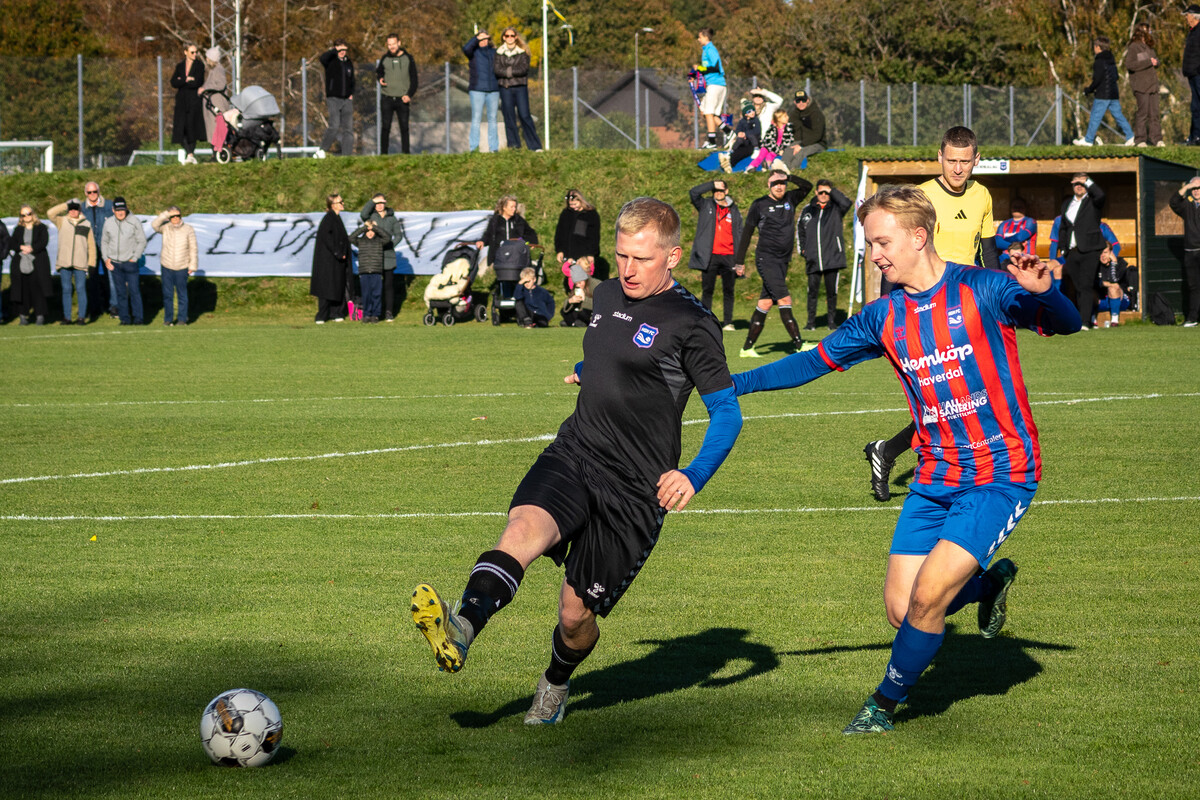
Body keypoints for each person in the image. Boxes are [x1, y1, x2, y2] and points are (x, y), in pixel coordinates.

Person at [732, 183, 1082, 735]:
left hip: (1000, 471)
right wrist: (733, 385)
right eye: (870, 244)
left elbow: (1066, 323)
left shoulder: (984, 288)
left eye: (882, 243)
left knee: (927, 600)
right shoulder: (882, 316)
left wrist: (1049, 293)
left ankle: (882, 705)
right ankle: (988, 585)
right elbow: (810, 363)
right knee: (903, 612)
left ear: (919, 237)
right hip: (935, 475)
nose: (874, 255)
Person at [410, 196, 743, 726]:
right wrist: (586, 370)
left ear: (673, 257)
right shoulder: (606, 293)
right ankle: (462, 626)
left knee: (573, 616)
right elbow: (610, 351)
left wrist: (694, 474)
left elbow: (727, 412)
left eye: (642, 259)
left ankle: (555, 684)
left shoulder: (692, 323)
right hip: (576, 450)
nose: (628, 270)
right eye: (622, 255)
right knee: (522, 529)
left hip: (634, 489)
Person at [865, 126, 1000, 502]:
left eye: (965, 161)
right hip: (924, 310)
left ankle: (888, 451)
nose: (957, 169)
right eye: (951, 160)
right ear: (940, 157)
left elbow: (988, 253)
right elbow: (895, 254)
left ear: (976, 160)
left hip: (968, 309)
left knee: (960, 399)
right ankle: (953, 470)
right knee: (953, 398)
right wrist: (888, 310)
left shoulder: (982, 196)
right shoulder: (920, 197)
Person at [734, 170, 814, 357]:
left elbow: (807, 186)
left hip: (783, 261)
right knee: (784, 299)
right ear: (768, 185)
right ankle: (799, 344)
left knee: (765, 302)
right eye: (774, 183)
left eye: (782, 183)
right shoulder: (759, 205)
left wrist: (790, 177)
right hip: (766, 259)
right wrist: (739, 262)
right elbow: (747, 233)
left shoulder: (790, 199)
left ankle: (747, 349)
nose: (779, 186)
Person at [689, 179, 743, 331]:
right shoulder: (705, 205)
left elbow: (740, 233)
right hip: (710, 256)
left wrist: (740, 259)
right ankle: (705, 321)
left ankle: (728, 322)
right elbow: (693, 193)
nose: (718, 193)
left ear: (726, 191)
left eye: (721, 190)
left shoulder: (734, 210)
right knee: (708, 290)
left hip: (729, 256)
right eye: (715, 190)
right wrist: (712, 184)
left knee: (729, 290)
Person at [797, 179, 851, 330]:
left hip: (832, 258)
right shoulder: (808, 210)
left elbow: (847, 203)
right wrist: (803, 249)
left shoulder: (836, 208)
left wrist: (832, 191)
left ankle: (831, 322)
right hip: (813, 259)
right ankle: (810, 323)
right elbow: (800, 229)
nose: (823, 195)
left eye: (826, 192)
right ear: (816, 192)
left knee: (831, 292)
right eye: (821, 192)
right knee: (812, 292)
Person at [1057, 173, 1106, 328]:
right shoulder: (1067, 203)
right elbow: (1064, 227)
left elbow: (1100, 195)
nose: (1079, 186)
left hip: (1090, 249)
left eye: (1082, 184)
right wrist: (1063, 249)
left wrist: (1087, 181)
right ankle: (1082, 318)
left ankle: (1085, 321)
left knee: (1086, 286)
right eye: (1076, 184)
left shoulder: (1093, 201)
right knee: (1078, 287)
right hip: (1072, 251)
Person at [1073, 37, 1135, 147]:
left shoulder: (1099, 61)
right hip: (1113, 93)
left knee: (1095, 117)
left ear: (1098, 47)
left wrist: (1088, 90)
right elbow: (1116, 77)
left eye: (1094, 46)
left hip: (1102, 95)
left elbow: (1097, 79)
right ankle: (1130, 137)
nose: (1094, 49)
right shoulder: (1111, 59)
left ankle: (1088, 140)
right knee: (1118, 116)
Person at [47, 198, 96, 325]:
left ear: (80, 210)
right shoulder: (61, 221)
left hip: (81, 263)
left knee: (80, 289)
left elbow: (91, 246)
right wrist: (66, 204)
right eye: (71, 209)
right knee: (66, 289)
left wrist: (91, 263)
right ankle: (67, 318)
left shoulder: (86, 224)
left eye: (75, 208)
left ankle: (81, 318)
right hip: (64, 263)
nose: (73, 211)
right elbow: (50, 213)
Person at [494, 28, 543, 152]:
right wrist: (512, 72)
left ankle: (535, 146)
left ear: (516, 37)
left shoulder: (523, 52)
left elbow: (523, 69)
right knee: (509, 117)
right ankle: (514, 146)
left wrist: (507, 72)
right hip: (505, 88)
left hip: (520, 88)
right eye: (507, 36)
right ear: (504, 37)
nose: (510, 38)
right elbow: (497, 70)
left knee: (525, 115)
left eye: (512, 35)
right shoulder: (498, 53)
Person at [101, 197, 148, 326]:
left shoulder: (134, 221)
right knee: (120, 293)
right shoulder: (108, 222)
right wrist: (106, 259)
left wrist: (135, 257)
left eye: (122, 209)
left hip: (130, 263)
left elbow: (142, 241)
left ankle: (138, 319)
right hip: (115, 264)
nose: (120, 212)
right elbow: (104, 242)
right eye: (117, 210)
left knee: (134, 291)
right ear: (113, 210)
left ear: (126, 208)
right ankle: (124, 319)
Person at [151, 206, 198, 326]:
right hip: (166, 266)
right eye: (173, 216)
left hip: (182, 266)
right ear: (169, 217)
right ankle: (168, 319)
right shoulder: (165, 227)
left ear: (181, 216)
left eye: (178, 216)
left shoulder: (188, 229)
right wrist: (166, 214)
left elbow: (193, 248)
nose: (175, 218)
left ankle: (182, 319)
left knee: (182, 294)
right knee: (168, 295)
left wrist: (192, 265)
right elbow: (154, 225)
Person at [360, 193, 403, 321]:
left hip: (388, 256)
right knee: (374, 286)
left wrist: (390, 245)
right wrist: (372, 201)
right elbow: (363, 214)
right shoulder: (371, 216)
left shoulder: (392, 218)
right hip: (374, 256)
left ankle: (389, 312)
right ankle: (374, 312)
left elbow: (398, 235)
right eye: (377, 203)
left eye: (381, 203)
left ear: (385, 203)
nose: (379, 205)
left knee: (388, 285)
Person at [8, 206, 52, 325]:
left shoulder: (41, 227)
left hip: (38, 263)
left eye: (28, 213)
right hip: (21, 263)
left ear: (33, 214)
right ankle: (23, 316)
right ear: (21, 217)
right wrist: (21, 247)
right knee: (22, 290)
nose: (26, 217)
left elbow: (43, 241)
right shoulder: (18, 229)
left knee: (38, 290)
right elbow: (12, 243)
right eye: (23, 215)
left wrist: (32, 248)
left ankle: (40, 316)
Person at [310, 193, 350, 323]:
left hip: (336, 260)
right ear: (333, 205)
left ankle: (336, 312)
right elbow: (327, 238)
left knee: (337, 285)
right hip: (328, 260)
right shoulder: (328, 219)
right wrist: (337, 252)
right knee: (326, 287)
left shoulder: (337, 218)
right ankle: (321, 315)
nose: (343, 204)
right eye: (340, 202)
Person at [377, 34, 419, 155]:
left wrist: (409, 95)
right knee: (385, 127)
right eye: (389, 44)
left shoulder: (408, 58)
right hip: (387, 98)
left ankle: (406, 154)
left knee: (404, 127)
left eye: (394, 44)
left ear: (399, 43)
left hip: (402, 99)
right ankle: (383, 155)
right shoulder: (384, 58)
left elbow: (414, 79)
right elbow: (379, 72)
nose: (391, 47)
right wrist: (380, 78)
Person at [1125, 24, 1164, 147]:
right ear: (1142, 32)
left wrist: (1156, 62)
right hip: (1141, 86)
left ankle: (1156, 139)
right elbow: (1130, 65)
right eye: (1149, 30)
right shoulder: (1134, 47)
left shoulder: (1149, 47)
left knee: (1154, 114)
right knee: (1142, 114)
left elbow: (1156, 60)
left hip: (1153, 86)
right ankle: (1140, 140)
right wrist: (1148, 62)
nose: (1150, 32)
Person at [1169, 176, 1200, 327]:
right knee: (1193, 286)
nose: (1196, 191)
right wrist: (1187, 186)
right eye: (1194, 188)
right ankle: (1192, 318)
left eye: (1199, 188)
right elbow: (1173, 202)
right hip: (1190, 251)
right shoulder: (1187, 205)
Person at [81, 180, 115, 319]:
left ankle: (114, 306)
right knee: (92, 278)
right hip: (90, 247)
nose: (92, 194)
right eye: (89, 192)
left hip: (107, 246)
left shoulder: (109, 205)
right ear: (85, 193)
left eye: (95, 191)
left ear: (99, 191)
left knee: (111, 277)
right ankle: (95, 308)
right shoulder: (81, 207)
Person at [316, 40, 355, 158]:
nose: (342, 52)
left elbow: (352, 79)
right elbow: (322, 58)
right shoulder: (330, 61)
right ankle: (322, 150)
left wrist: (351, 93)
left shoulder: (348, 62)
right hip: (333, 98)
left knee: (348, 129)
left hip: (347, 99)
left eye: (344, 50)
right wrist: (334, 51)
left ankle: (346, 156)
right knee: (334, 125)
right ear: (335, 49)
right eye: (340, 49)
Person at [349, 216, 392, 324]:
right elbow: (351, 237)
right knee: (366, 294)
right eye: (368, 231)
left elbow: (388, 237)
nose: (370, 233)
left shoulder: (380, 241)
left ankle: (375, 315)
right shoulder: (360, 241)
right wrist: (364, 227)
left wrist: (375, 227)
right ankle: (366, 314)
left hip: (376, 272)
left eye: (372, 231)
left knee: (376, 294)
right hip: (364, 272)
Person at [463, 31, 500, 153]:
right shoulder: (473, 53)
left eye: (485, 38)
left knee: (493, 119)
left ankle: (493, 148)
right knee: (476, 118)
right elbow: (466, 48)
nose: (483, 41)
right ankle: (474, 148)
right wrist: (476, 38)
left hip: (493, 90)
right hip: (477, 90)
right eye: (481, 39)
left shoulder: (495, 52)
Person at [170, 44, 206, 164]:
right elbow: (173, 82)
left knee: (192, 127)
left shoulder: (199, 65)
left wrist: (182, 81)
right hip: (181, 101)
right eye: (192, 52)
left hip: (194, 101)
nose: (195, 54)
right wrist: (186, 80)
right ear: (185, 52)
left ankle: (191, 154)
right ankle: (189, 154)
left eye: (196, 52)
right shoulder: (180, 66)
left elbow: (198, 82)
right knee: (181, 127)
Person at [480, 194, 538, 268]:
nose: (514, 209)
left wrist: (532, 241)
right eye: (511, 207)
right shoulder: (495, 221)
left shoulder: (518, 220)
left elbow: (530, 232)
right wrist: (482, 241)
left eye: (515, 207)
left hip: (517, 256)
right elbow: (488, 234)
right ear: (504, 207)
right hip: (499, 257)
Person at [554, 190, 601, 273]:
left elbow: (594, 236)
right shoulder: (566, 214)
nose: (573, 207)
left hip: (584, 255)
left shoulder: (591, 214)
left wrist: (591, 253)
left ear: (581, 201)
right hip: (569, 255)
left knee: (585, 276)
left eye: (575, 204)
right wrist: (560, 250)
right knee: (572, 277)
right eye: (571, 205)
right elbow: (559, 233)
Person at [695, 28, 727, 149]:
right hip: (713, 84)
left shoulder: (710, 49)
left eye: (700, 37)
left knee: (709, 113)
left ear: (706, 37)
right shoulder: (705, 50)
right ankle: (729, 133)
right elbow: (707, 69)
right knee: (705, 111)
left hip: (716, 84)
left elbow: (715, 67)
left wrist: (700, 68)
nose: (698, 39)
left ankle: (712, 142)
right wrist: (695, 73)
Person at [782, 90, 826, 171]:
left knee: (801, 153)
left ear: (807, 100)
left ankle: (793, 171)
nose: (801, 103)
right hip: (800, 142)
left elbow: (817, 135)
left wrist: (801, 145)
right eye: (798, 101)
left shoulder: (816, 113)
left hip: (817, 143)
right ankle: (782, 171)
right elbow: (792, 132)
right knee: (788, 150)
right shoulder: (794, 114)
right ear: (795, 102)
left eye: (803, 100)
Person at [719, 99, 761, 173]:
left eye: (753, 110)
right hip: (744, 141)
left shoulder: (756, 120)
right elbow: (738, 129)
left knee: (743, 152)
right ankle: (728, 158)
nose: (752, 112)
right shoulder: (742, 121)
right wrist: (739, 133)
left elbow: (757, 131)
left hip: (752, 142)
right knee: (738, 146)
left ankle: (730, 163)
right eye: (749, 111)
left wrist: (746, 134)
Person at [200, 46, 230, 148]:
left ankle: (218, 150)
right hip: (212, 105)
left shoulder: (218, 69)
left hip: (217, 105)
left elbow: (220, 84)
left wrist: (205, 89)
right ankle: (216, 150)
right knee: (213, 130)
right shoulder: (213, 70)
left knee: (217, 129)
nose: (206, 59)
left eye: (208, 57)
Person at [994, 198, 1038, 267]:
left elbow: (1020, 237)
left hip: (1025, 256)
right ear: (1011, 208)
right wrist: (1015, 246)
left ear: (1025, 208)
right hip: (1006, 257)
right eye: (1015, 207)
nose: (1017, 208)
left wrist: (1004, 240)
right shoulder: (1004, 224)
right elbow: (997, 242)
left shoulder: (1031, 221)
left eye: (1020, 207)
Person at [1097, 243, 1130, 327]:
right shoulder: (1096, 265)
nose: (1103, 256)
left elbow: (1114, 280)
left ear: (1111, 253)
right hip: (1102, 300)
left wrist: (1114, 263)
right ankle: (1092, 320)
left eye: (1105, 252)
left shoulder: (1120, 263)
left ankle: (1114, 320)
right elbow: (1097, 282)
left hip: (1120, 300)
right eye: (1100, 253)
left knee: (1113, 288)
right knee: (1090, 292)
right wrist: (1106, 284)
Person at [1183, 5, 1200, 146]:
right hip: (1192, 74)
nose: (1186, 18)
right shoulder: (1192, 32)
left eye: (1187, 15)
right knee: (1195, 107)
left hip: (1198, 73)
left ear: (1194, 16)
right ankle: (1195, 136)